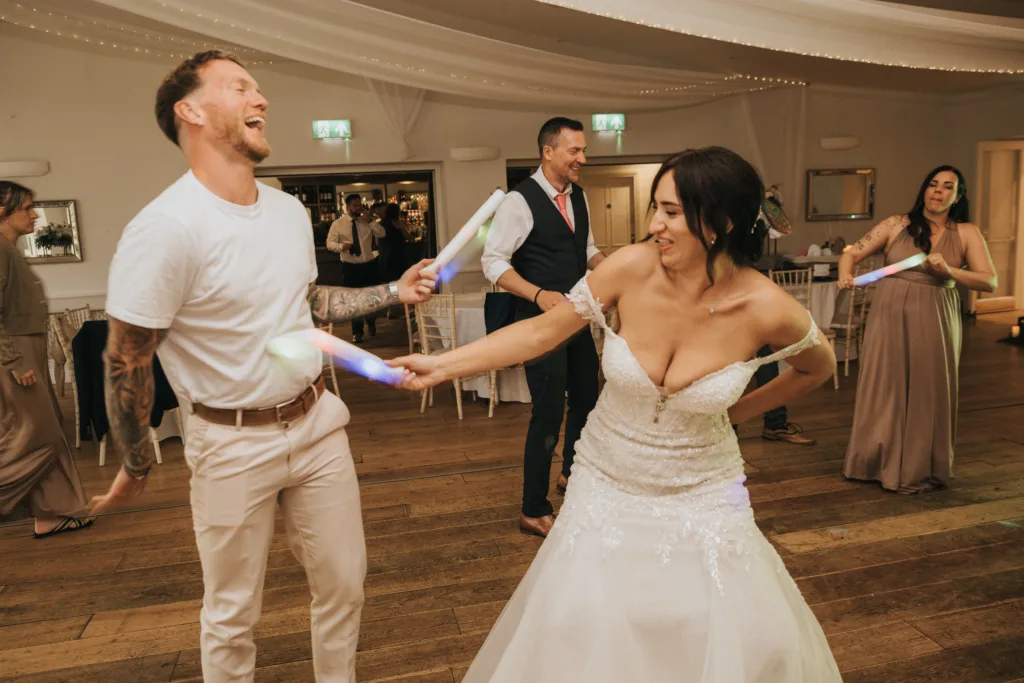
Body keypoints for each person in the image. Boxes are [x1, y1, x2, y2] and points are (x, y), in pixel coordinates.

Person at [391, 147, 842, 682]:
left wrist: (734, 413)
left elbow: (817, 368)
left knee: (718, 625)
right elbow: (541, 331)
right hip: (605, 479)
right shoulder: (630, 268)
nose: (655, 225)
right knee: (584, 623)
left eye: (672, 212)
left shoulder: (768, 307)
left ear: (721, 222)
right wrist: (443, 366)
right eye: (656, 208)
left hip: (703, 489)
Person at [87, 50, 436, 683]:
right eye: (240, 87)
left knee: (345, 586)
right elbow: (126, 355)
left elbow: (305, 303)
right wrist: (136, 460)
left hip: (317, 424)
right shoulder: (165, 228)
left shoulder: (287, 210)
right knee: (232, 614)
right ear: (189, 111)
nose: (262, 98)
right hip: (230, 442)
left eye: (258, 87)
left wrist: (394, 290)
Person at [480, 117, 606, 538]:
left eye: (583, 150)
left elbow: (586, 250)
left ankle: (572, 473)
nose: (582, 158)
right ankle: (533, 508)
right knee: (548, 414)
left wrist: (623, 274)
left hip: (578, 320)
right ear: (548, 151)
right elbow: (493, 262)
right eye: (574, 151)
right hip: (538, 324)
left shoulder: (581, 197)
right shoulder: (518, 201)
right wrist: (537, 295)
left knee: (588, 400)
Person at [840, 165, 996, 494]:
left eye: (947, 187)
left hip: (935, 314)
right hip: (889, 312)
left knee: (928, 386)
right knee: (886, 382)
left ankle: (918, 467)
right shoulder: (897, 224)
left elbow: (989, 281)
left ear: (957, 196)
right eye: (932, 184)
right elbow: (852, 252)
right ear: (924, 189)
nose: (937, 191)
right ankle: (873, 460)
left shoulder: (967, 232)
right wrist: (844, 273)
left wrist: (949, 270)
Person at [0, 181, 92, 539]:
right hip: (15, 355)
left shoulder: (9, 249)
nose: (34, 214)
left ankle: (53, 514)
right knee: (36, 436)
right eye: (27, 208)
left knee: (46, 429)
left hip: (27, 351)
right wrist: (16, 362)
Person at [327, 194, 387, 343]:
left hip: (369, 266)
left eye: (359, 204)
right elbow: (330, 243)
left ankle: (371, 322)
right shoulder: (338, 224)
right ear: (347, 207)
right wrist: (342, 247)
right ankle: (357, 332)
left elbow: (382, 233)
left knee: (370, 299)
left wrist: (370, 221)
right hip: (350, 268)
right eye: (355, 205)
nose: (358, 207)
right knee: (353, 301)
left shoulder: (367, 222)